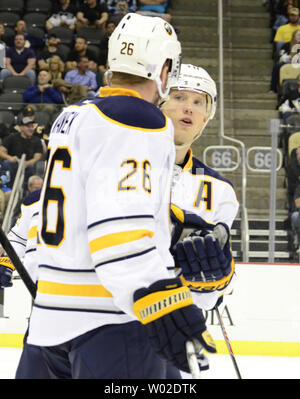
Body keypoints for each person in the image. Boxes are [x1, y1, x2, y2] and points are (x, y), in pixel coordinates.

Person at [17, 13, 216, 379]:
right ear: (164, 67)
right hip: (110, 321)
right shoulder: (139, 120)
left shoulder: (74, 115)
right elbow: (119, 231)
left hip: (47, 323)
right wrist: (162, 302)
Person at [160, 64, 239, 378]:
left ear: (207, 117)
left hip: (169, 337)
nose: (188, 108)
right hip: (103, 326)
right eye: (179, 96)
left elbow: (210, 297)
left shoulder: (220, 191)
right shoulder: (117, 164)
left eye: (199, 102)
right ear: (159, 101)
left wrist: (214, 281)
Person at [0, 110, 44, 189]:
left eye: (32, 126)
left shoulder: (36, 140)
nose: (31, 129)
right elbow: (1, 151)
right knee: (7, 164)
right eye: (28, 127)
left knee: (31, 168)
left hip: (29, 164)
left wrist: (27, 163)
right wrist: (10, 158)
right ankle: (7, 189)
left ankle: (26, 191)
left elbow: (38, 156)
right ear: (21, 128)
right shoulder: (12, 138)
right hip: (14, 162)